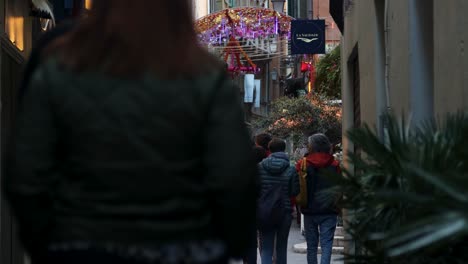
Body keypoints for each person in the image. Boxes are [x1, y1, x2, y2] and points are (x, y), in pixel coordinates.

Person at [4, 1, 257, 263]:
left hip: (82, 245)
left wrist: (47, 244)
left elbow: (26, 172)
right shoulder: (205, 75)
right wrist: (227, 245)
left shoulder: (59, 66)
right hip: (181, 247)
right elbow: (234, 177)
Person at [295, 134, 341, 264]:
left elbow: (297, 184)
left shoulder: (302, 164)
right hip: (329, 209)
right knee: (326, 246)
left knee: (312, 246)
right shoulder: (334, 164)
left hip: (309, 209)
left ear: (311, 146)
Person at [257, 138, 299, 264]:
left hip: (265, 211)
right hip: (284, 211)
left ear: (269, 150)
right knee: (281, 248)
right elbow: (295, 191)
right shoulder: (291, 169)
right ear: (284, 149)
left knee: (266, 248)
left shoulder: (259, 167)